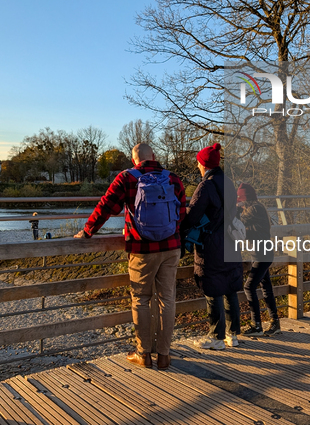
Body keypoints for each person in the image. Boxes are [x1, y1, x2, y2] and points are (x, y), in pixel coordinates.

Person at [74, 143, 186, 370]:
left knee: (141, 299)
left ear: (134, 160)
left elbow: (106, 206)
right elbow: (181, 213)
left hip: (141, 248)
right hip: (171, 247)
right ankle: (164, 355)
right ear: (154, 156)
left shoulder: (127, 178)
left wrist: (87, 231)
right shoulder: (173, 178)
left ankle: (143, 354)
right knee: (167, 299)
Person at [181, 143, 243, 350]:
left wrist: (180, 226)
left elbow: (192, 215)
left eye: (199, 163)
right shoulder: (229, 183)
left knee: (213, 288)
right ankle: (232, 335)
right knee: (229, 288)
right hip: (230, 240)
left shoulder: (206, 186)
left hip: (212, 244)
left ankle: (216, 337)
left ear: (203, 164)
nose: (198, 167)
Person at [237, 183, 281, 337]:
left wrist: (234, 207)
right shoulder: (257, 207)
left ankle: (256, 325)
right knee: (265, 286)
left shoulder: (254, 209)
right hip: (262, 254)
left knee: (249, 287)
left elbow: (239, 221)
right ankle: (275, 323)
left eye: (240, 198)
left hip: (262, 255)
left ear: (244, 198)